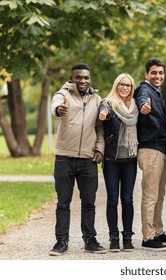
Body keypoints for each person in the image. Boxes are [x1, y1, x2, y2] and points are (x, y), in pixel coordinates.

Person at [49, 63, 106, 256]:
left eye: (86, 77)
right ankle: (61, 242)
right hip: (64, 157)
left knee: (89, 202)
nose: (83, 80)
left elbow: (100, 128)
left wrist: (100, 148)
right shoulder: (63, 94)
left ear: (90, 79)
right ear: (72, 78)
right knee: (63, 202)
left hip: (88, 159)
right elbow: (55, 105)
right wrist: (58, 110)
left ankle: (90, 240)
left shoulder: (97, 99)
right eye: (78, 77)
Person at [134, 57, 166, 251]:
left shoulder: (157, 92)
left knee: (159, 194)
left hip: (159, 148)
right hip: (150, 148)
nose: (158, 76)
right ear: (146, 74)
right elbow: (142, 101)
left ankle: (158, 231)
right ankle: (148, 237)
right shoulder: (145, 90)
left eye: (161, 73)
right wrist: (143, 108)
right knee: (150, 195)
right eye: (154, 73)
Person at [98, 73, 138, 252]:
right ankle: (114, 238)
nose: (124, 88)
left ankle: (127, 237)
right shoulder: (107, 104)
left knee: (128, 200)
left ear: (132, 88)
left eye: (128, 85)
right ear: (116, 85)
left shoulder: (135, 107)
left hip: (130, 159)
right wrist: (103, 116)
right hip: (112, 159)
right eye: (122, 84)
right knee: (112, 200)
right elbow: (103, 117)